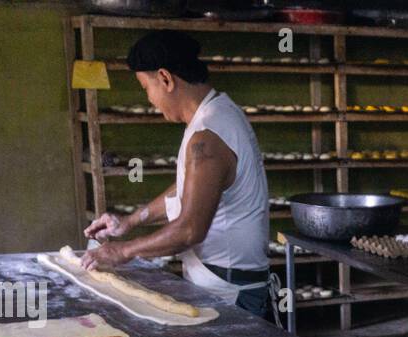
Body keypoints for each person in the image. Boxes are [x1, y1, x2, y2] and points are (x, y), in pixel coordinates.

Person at [82, 30, 271, 317]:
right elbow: (190, 186)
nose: (149, 100)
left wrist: (122, 251)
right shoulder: (217, 114)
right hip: (222, 280)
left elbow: (190, 230)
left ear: (166, 79)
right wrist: (130, 221)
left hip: (232, 292)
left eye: (146, 87)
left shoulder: (208, 137)